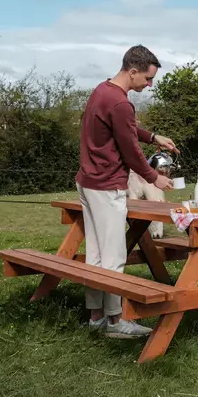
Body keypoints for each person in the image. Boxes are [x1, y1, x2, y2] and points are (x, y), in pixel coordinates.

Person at [76, 44, 178, 339]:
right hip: (107, 186)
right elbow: (130, 150)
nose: (149, 85)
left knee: (95, 254)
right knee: (114, 257)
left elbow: (125, 130)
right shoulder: (120, 103)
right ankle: (116, 321)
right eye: (147, 79)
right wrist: (153, 177)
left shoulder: (101, 91)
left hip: (87, 182)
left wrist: (154, 137)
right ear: (132, 71)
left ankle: (96, 315)